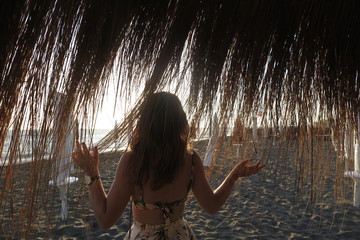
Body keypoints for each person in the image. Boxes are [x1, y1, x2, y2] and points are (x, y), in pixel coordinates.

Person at [72, 92, 264, 239]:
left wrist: (92, 173)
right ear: (180, 121)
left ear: (144, 122)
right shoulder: (190, 159)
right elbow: (211, 206)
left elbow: (106, 219)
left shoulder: (132, 161)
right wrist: (234, 175)